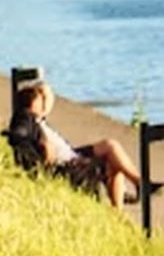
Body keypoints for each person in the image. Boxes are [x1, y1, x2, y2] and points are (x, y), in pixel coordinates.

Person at [10, 81, 160, 208]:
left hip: (71, 154)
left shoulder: (39, 120)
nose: (44, 102)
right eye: (40, 99)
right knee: (111, 161)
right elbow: (19, 133)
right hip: (66, 163)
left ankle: (139, 184)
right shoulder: (27, 119)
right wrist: (43, 145)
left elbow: (46, 100)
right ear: (31, 105)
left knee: (111, 145)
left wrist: (43, 94)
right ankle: (131, 197)